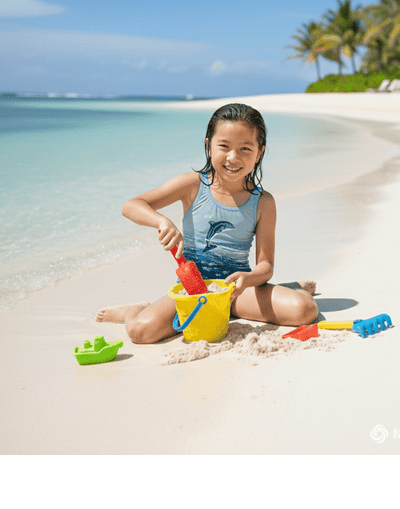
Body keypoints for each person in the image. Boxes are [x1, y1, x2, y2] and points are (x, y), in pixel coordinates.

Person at [96, 102, 318, 343]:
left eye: (245, 148)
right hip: (192, 292)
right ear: (208, 146)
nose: (233, 157)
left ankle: (285, 289)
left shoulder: (263, 202)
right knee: (140, 332)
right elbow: (131, 205)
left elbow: (265, 266)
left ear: (260, 152)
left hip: (235, 292)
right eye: (224, 146)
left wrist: (248, 280)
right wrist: (162, 221)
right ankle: (135, 309)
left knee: (305, 310)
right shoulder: (191, 185)